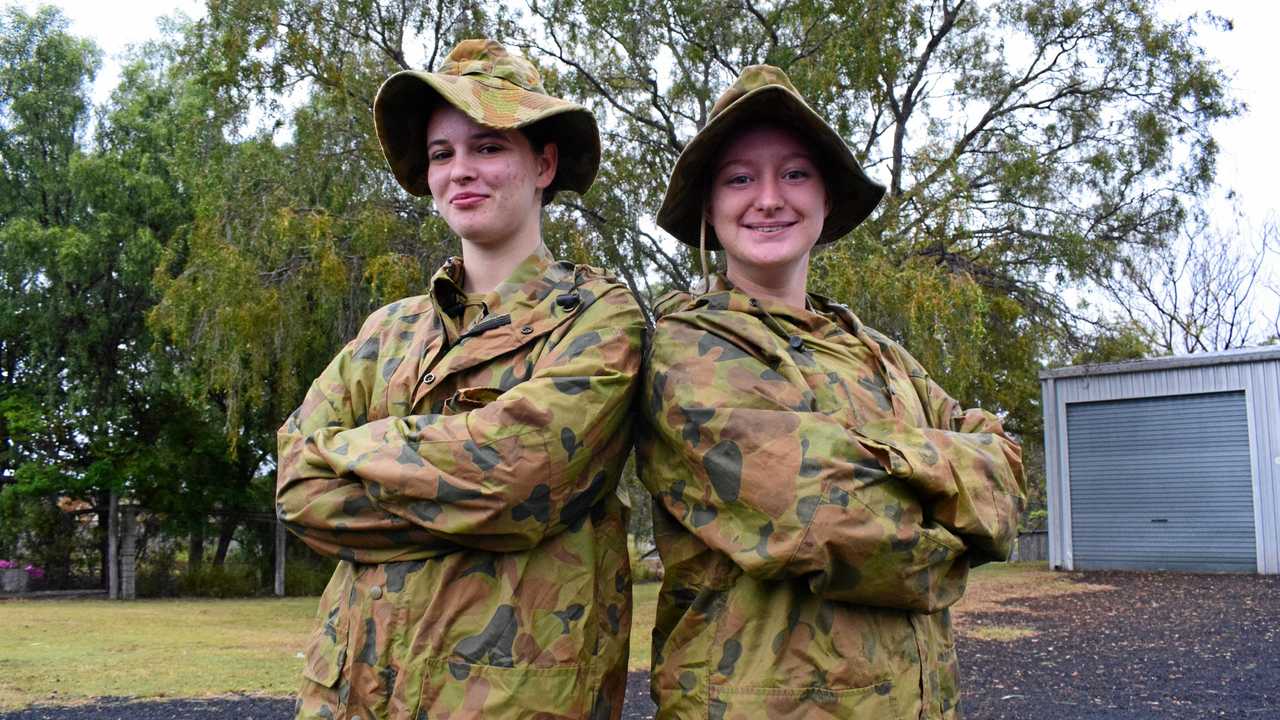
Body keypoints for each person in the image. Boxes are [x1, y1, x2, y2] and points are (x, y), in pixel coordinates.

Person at [638, 65, 1027, 719]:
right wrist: (948, 482)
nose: (768, 198)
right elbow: (837, 523)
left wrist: (871, 454)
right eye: (740, 178)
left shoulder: (877, 353)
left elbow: (1008, 477)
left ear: (824, 197)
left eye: (794, 173)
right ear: (709, 205)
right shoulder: (691, 353)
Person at [277, 39, 645, 720]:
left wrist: (350, 452)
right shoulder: (388, 333)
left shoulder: (597, 320)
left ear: (543, 163)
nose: (460, 171)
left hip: (507, 697)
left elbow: (516, 477)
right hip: (354, 694)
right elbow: (298, 487)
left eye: (488, 147)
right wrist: (454, 481)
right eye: (442, 154)